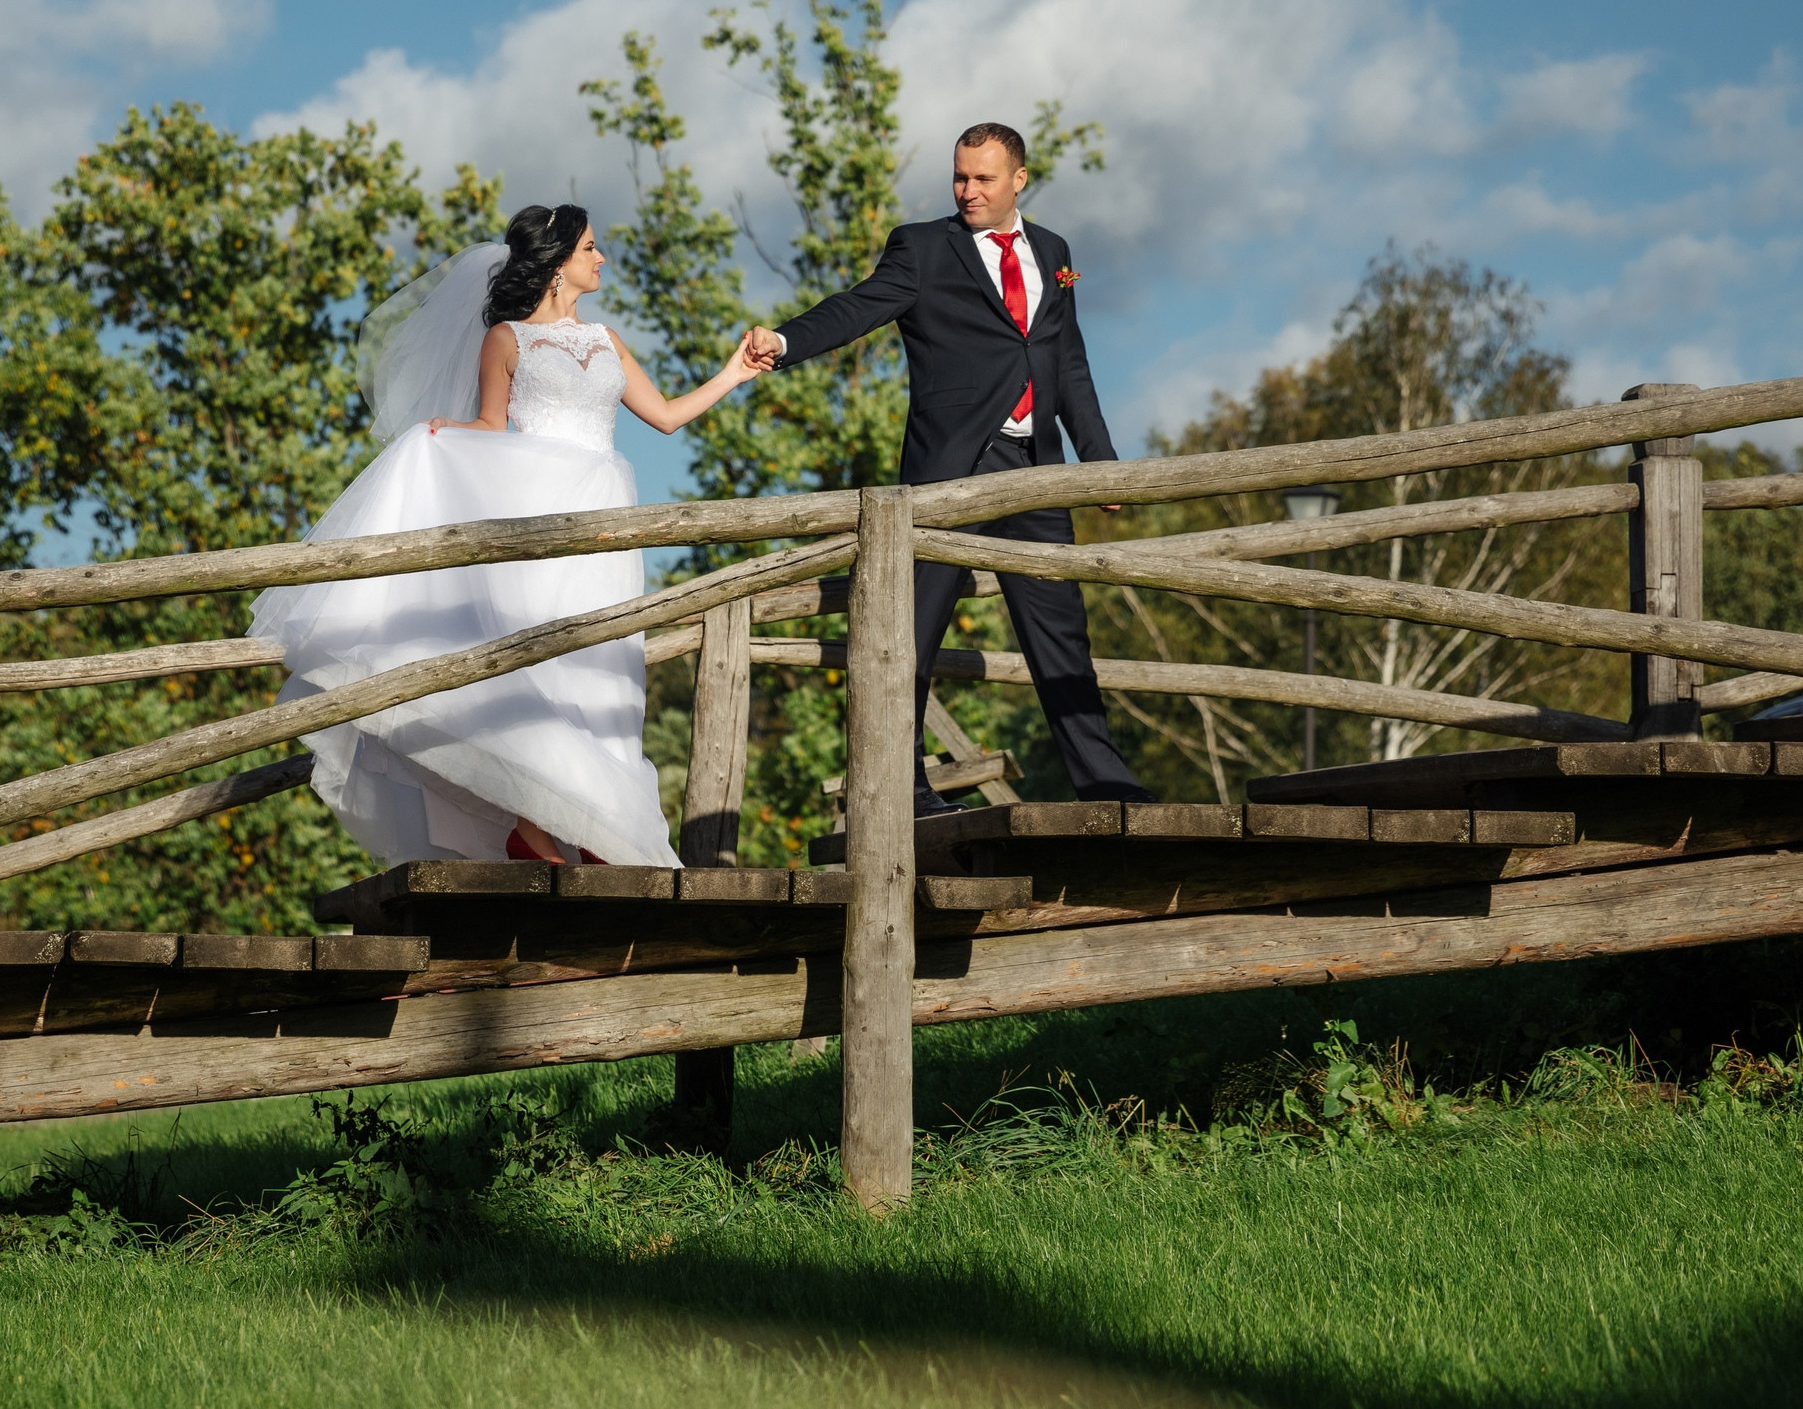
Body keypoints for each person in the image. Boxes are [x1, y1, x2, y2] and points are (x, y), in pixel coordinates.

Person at [252, 204, 765, 869]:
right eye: (590, 247)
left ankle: (595, 824)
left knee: (606, 669)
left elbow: (664, 416)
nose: (601, 258)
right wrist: (438, 435)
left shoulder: (607, 341)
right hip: (539, 512)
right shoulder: (507, 339)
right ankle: (538, 824)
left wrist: (734, 373)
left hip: (607, 514)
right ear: (557, 266)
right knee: (546, 663)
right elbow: (493, 425)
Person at [744, 122, 1156, 811]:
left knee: (1061, 632)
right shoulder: (924, 248)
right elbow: (857, 308)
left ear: (1018, 179)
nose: (967, 191)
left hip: (1036, 469)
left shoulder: (1053, 252)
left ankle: (1107, 786)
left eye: (984, 179)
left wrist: (1101, 464)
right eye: (960, 177)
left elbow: (1069, 364)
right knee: (912, 629)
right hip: (950, 467)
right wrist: (784, 341)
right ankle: (904, 786)